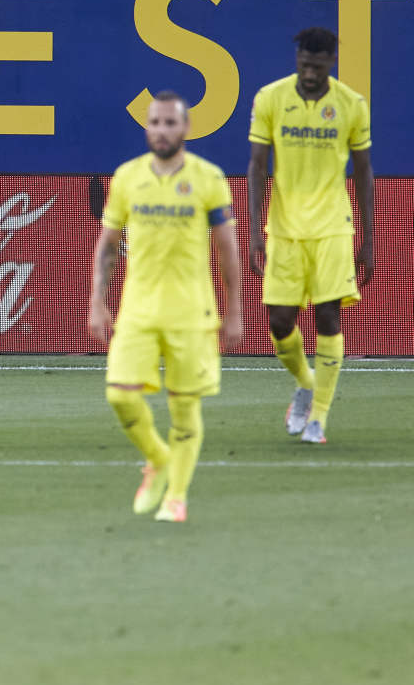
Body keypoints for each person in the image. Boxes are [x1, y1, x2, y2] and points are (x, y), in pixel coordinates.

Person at [88, 92, 243, 523]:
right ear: (146, 127)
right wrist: (97, 302)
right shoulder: (126, 177)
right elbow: (108, 246)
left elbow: (227, 248)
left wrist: (235, 311)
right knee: (120, 396)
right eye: (154, 122)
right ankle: (159, 460)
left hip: (192, 312)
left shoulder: (209, 178)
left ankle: (177, 497)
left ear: (186, 128)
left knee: (184, 408)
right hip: (137, 309)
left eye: (170, 123)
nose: (161, 130)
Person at [247, 27, 374, 445]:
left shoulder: (351, 105)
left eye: (318, 66)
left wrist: (368, 238)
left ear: (331, 62)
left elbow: (363, 171)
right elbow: (257, 166)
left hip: (333, 227)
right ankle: (305, 383)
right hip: (284, 228)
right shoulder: (270, 99)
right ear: (297, 59)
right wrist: (254, 229)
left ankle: (318, 417)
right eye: (304, 64)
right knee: (279, 322)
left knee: (327, 316)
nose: (310, 73)